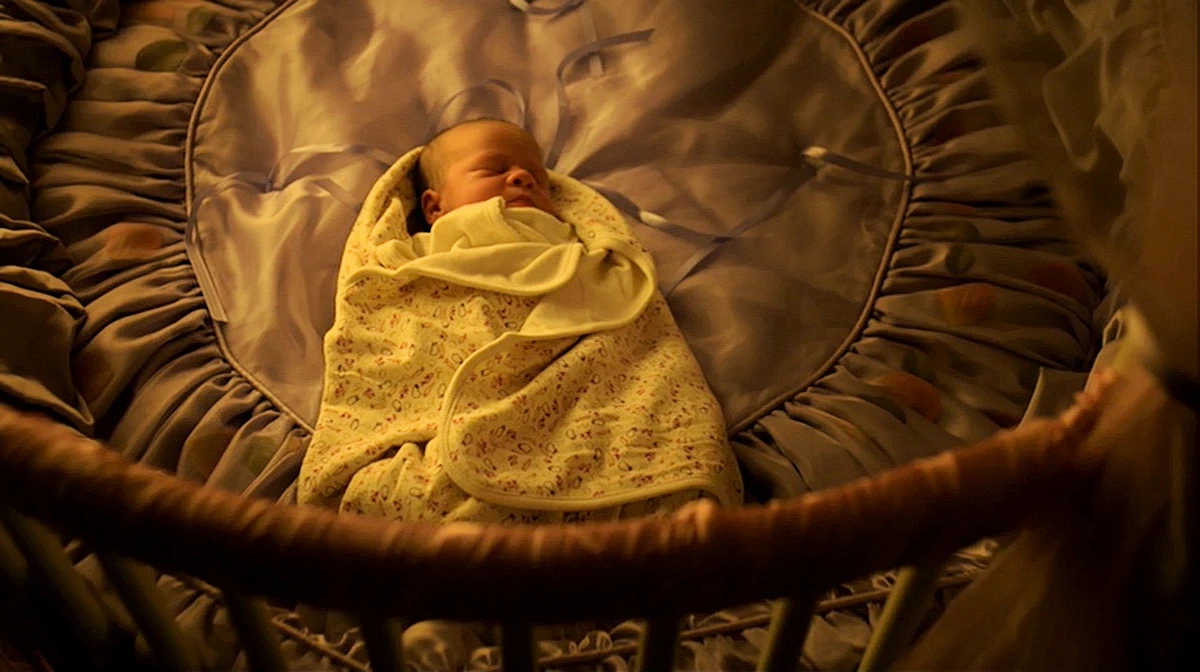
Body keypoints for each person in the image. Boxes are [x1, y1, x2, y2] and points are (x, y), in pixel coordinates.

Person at [417, 118, 557, 226]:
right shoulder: (422, 250)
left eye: (537, 177)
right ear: (435, 208)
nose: (525, 176)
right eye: (494, 170)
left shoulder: (562, 239)